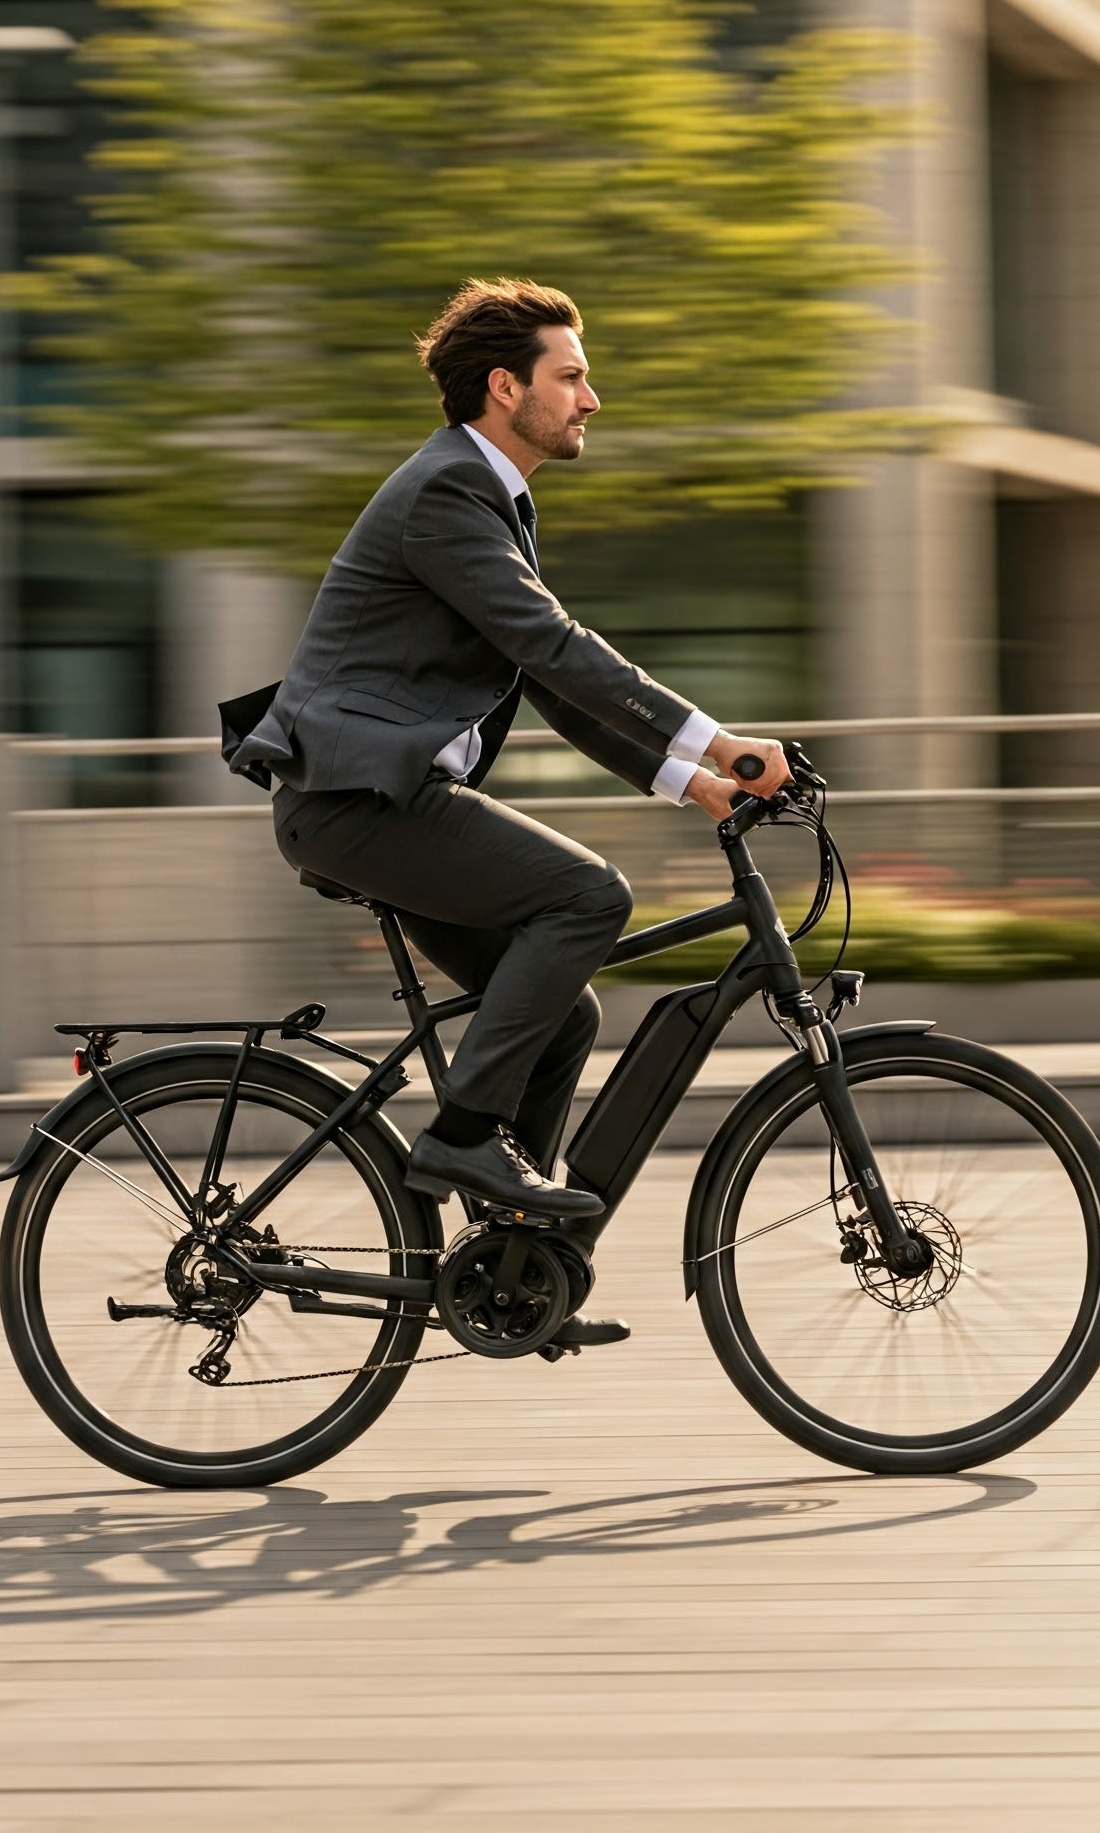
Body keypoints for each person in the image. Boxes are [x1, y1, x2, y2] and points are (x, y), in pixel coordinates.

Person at [223, 277, 788, 1348]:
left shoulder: (488, 495)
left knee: (563, 1013)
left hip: (380, 801)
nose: (592, 399)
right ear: (504, 387)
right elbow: (553, 645)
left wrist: (692, 781)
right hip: (357, 801)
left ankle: (515, 1267)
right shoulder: (447, 490)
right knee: (588, 897)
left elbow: (542, 678)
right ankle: (464, 1137)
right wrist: (716, 738)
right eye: (571, 376)